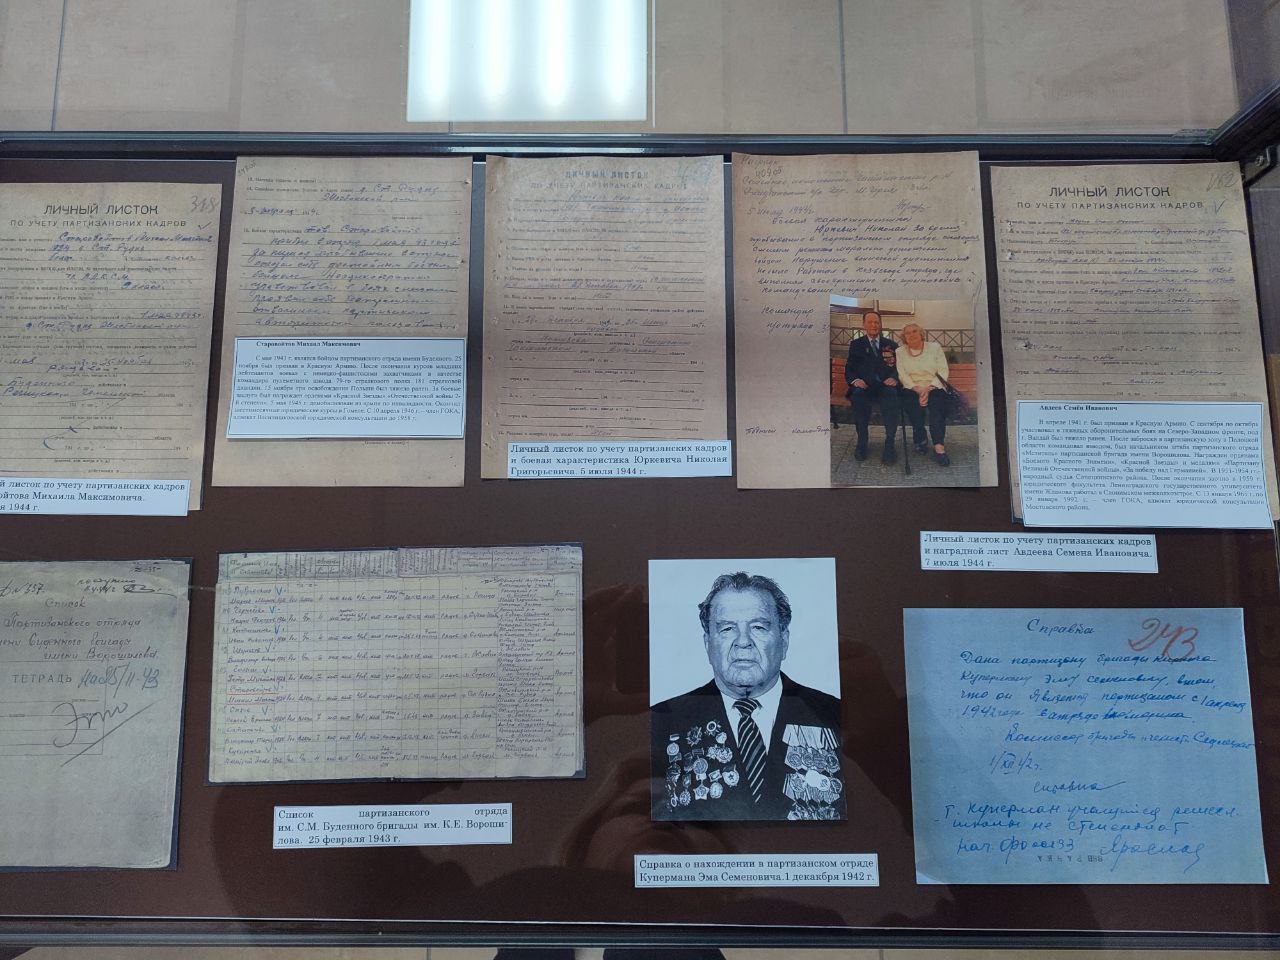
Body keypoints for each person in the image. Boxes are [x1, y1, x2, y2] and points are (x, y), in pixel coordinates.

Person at [651, 572, 845, 822]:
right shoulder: (661, 722)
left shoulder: (832, 715)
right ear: (708, 643)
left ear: (784, 640)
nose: (743, 642)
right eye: (727, 629)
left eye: (759, 627)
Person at [844, 311, 900, 464]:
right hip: (865, 387)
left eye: (876, 322)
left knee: (891, 395)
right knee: (858, 396)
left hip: (884, 387)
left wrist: (894, 378)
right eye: (870, 322)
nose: (874, 325)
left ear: (880, 325)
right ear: (864, 325)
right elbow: (850, 368)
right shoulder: (856, 344)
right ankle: (862, 443)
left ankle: (889, 444)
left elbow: (899, 367)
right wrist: (856, 380)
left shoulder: (891, 345)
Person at [894, 322, 951, 466]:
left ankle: (939, 447)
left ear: (921, 334)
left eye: (914, 331)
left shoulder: (935, 348)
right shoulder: (900, 352)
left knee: (937, 406)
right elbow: (902, 374)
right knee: (912, 405)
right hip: (912, 388)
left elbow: (943, 370)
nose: (911, 335)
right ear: (904, 337)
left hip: (934, 386)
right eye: (907, 333)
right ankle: (920, 437)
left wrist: (928, 389)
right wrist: (918, 390)